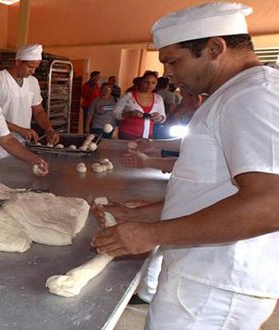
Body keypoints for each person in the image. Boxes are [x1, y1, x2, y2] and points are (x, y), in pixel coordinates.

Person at [92, 3, 279, 329]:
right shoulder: (230, 95)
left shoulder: (254, 96)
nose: (167, 74)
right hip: (202, 276)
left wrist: (152, 233)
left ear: (214, 48)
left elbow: (271, 204)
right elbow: (213, 189)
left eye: (173, 61)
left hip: (217, 285)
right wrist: (144, 213)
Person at [0, 44, 59, 162]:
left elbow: (38, 111)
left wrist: (49, 129)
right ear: (18, 62)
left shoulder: (33, 82)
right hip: (0, 145)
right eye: (30, 67)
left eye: (36, 68)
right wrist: (21, 130)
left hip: (24, 145)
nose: (33, 71)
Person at [114, 71, 166, 140]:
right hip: (127, 134)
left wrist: (158, 118)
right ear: (141, 82)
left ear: (156, 84)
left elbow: (163, 118)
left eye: (153, 83)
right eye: (146, 82)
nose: (149, 85)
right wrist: (130, 114)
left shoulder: (158, 99)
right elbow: (115, 113)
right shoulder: (128, 96)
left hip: (147, 136)